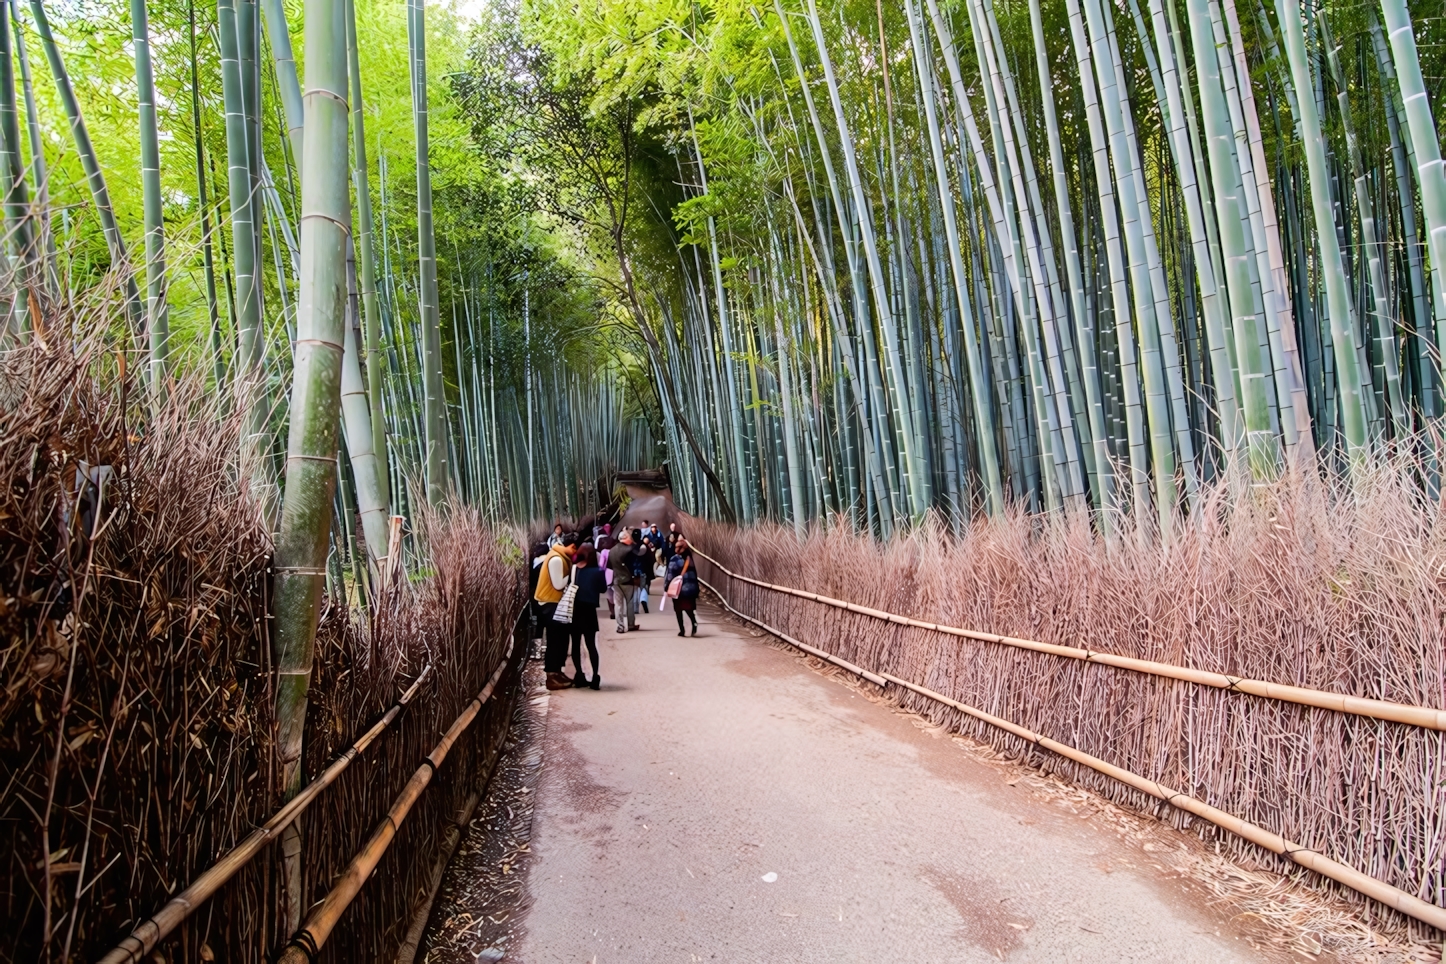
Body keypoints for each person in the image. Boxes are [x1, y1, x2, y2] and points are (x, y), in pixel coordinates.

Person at [534, 532, 577, 689]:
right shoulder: (557, 559)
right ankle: (551, 675)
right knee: (555, 640)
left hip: (554, 603)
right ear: (572, 547)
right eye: (575, 550)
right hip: (548, 603)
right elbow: (558, 584)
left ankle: (557, 671)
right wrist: (574, 575)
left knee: (562, 638)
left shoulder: (561, 556)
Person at [568, 543, 607, 689]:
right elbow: (603, 589)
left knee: (576, 644)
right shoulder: (598, 571)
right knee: (591, 645)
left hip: (575, 610)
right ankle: (595, 676)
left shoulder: (574, 569)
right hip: (589, 611)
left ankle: (579, 675)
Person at [666, 537, 700, 636]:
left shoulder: (674, 559)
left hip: (679, 589)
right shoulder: (690, 559)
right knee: (688, 608)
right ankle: (694, 622)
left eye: (677, 547)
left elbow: (670, 575)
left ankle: (682, 630)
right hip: (690, 590)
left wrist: (666, 587)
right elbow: (694, 575)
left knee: (678, 610)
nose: (675, 549)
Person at [609, 529, 640, 632]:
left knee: (618, 604)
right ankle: (631, 624)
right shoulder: (630, 549)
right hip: (628, 579)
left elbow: (609, 566)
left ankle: (620, 626)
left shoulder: (612, 550)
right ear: (626, 538)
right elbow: (634, 563)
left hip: (616, 580)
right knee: (629, 602)